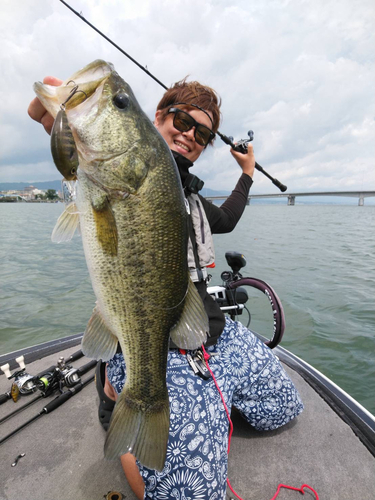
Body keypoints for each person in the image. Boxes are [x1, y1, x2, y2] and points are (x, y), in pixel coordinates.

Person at [28, 76, 303, 500]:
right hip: (154, 342)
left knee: (283, 407)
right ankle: (117, 395)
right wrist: (65, 118)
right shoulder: (112, 165)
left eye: (203, 132)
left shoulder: (190, 198)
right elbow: (47, 119)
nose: (190, 134)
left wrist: (246, 175)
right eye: (181, 120)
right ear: (157, 116)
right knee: (189, 493)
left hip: (207, 330)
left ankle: (210, 398)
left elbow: (226, 219)